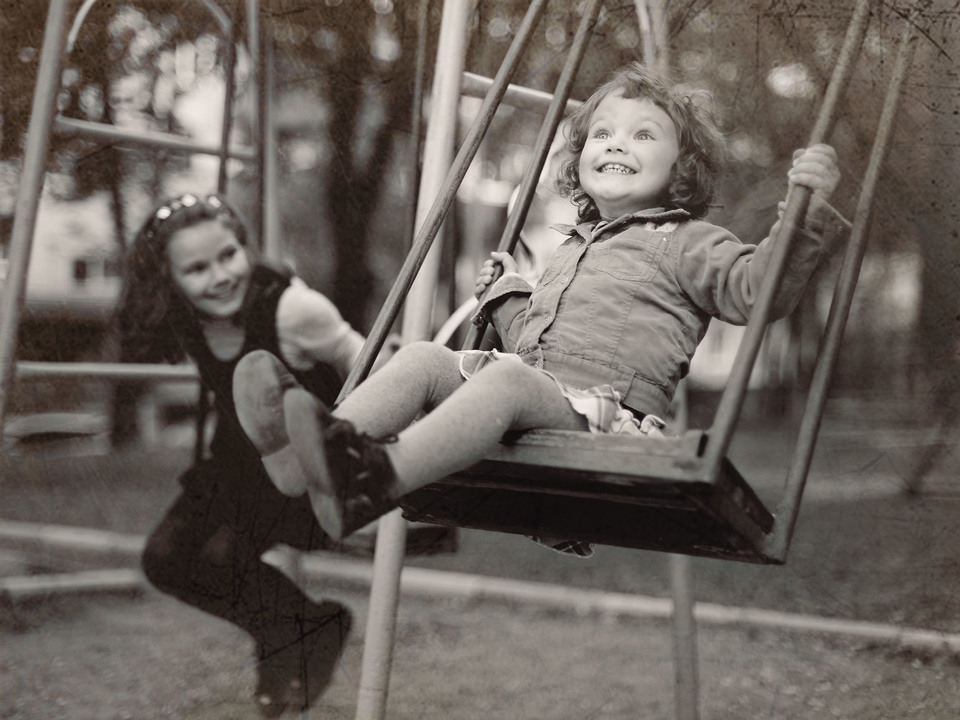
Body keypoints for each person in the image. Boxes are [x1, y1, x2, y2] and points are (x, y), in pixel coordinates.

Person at [238, 62, 842, 553]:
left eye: (642, 134)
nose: (615, 144)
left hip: (609, 419)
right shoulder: (570, 247)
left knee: (506, 381)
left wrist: (803, 212)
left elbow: (757, 293)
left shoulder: (687, 241)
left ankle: (376, 480)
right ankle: (312, 455)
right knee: (424, 358)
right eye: (601, 134)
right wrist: (506, 297)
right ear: (580, 155)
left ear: (683, 166)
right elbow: (534, 347)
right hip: (546, 396)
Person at [115, 192, 377, 717]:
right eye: (196, 268)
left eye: (228, 255)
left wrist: (354, 441)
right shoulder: (187, 316)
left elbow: (374, 362)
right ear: (168, 279)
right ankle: (304, 628)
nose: (219, 276)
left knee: (219, 558)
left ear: (245, 248)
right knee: (165, 559)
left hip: (304, 468)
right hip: (235, 464)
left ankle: (291, 642)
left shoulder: (293, 310)